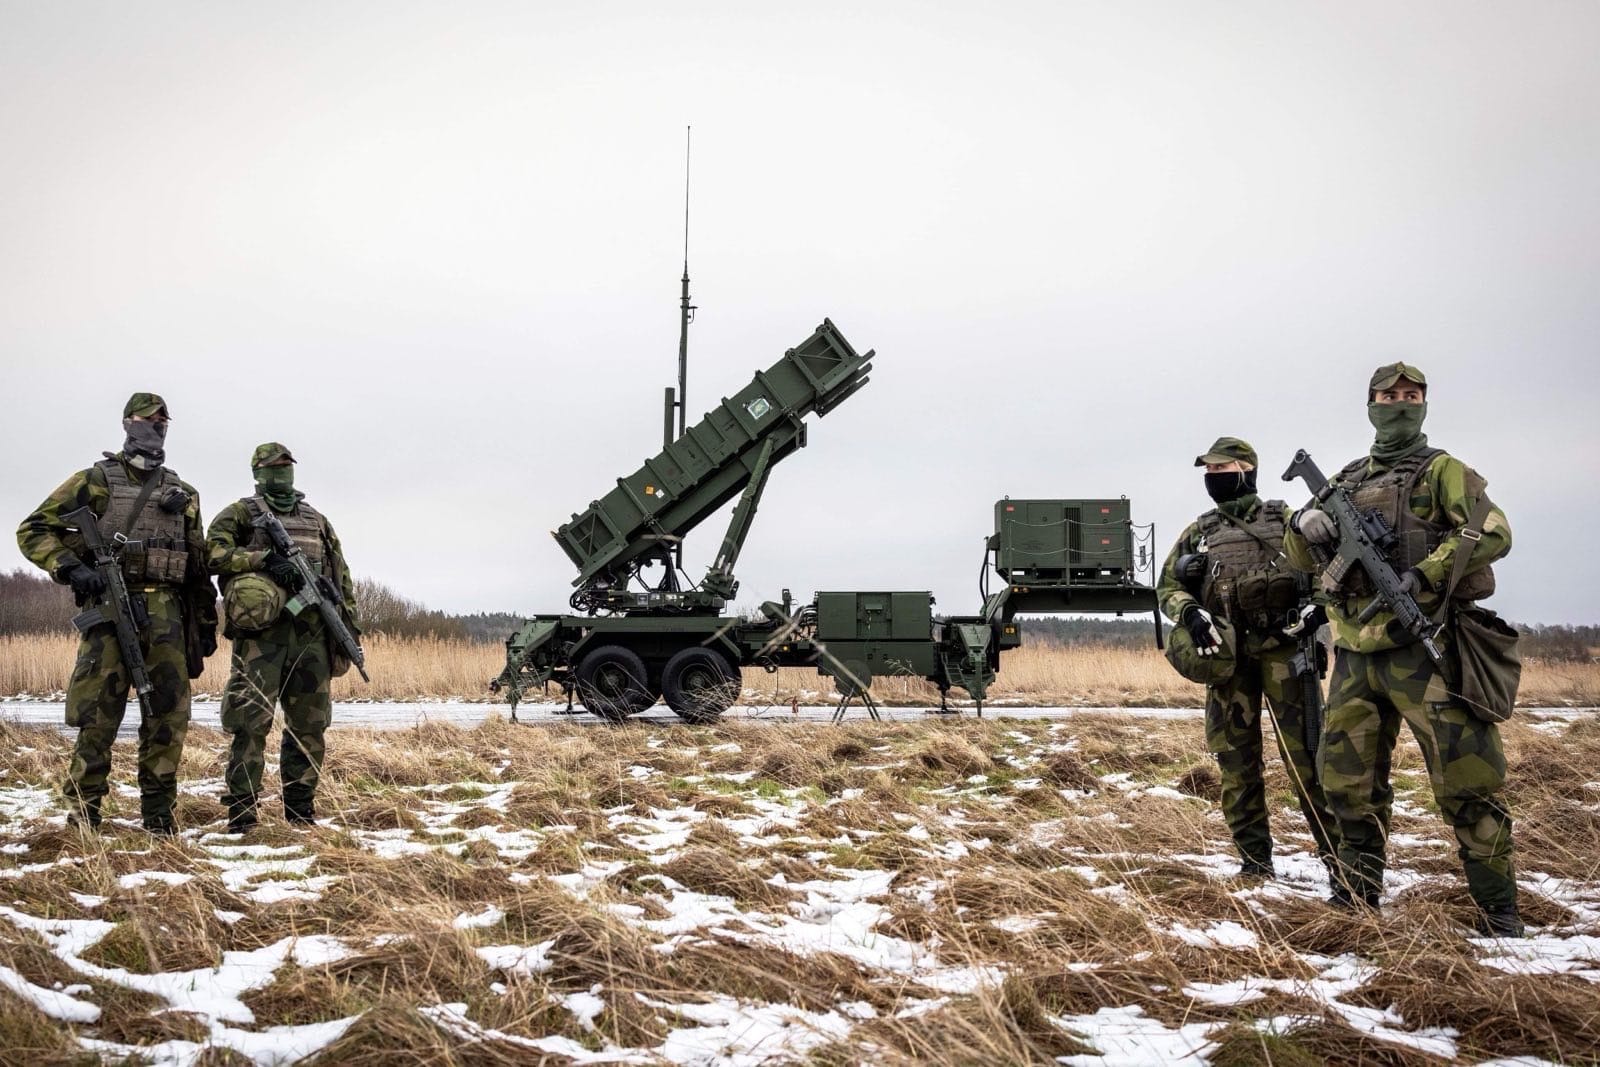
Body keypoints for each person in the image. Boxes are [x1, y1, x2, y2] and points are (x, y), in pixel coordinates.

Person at [1283, 363, 1520, 936]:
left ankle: (1499, 915)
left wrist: (1427, 573)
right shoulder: (1343, 479)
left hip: (1425, 647)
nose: (1400, 405)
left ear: (1423, 406)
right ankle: (1356, 902)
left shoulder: (1443, 470)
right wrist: (1303, 521)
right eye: (1389, 396)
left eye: (1411, 397)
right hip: (1355, 657)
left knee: (1468, 782)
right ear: (1371, 405)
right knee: (1347, 785)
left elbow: (1494, 531)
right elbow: (1297, 561)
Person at [15, 393, 217, 834]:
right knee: (97, 716)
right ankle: (83, 814)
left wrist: (204, 625)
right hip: (109, 612)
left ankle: (160, 817)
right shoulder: (95, 480)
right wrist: (71, 567)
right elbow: (32, 530)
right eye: (148, 420)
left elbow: (197, 564)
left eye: (163, 421)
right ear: (128, 423)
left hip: (168, 617)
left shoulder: (184, 493)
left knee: (168, 716)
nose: (156, 427)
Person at [1158, 436, 1339, 881]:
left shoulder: (1287, 519)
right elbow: (1166, 587)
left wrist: (1320, 607)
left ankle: (1341, 863)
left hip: (1286, 652)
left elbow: (1331, 569)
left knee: (1309, 761)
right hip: (1229, 657)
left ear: (1247, 470)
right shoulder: (1199, 532)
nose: (1213, 479)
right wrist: (1191, 611)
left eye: (1222, 470)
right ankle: (1254, 863)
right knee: (1236, 763)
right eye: (1209, 472)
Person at [207, 443, 358, 833]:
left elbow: (342, 578)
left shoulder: (317, 520)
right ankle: (242, 813)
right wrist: (262, 561)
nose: (281, 472)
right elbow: (212, 554)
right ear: (257, 472)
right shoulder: (241, 514)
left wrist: (348, 629)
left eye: (286, 465)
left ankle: (301, 811)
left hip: (312, 637)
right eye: (273, 466)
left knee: (309, 726)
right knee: (249, 725)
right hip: (262, 639)